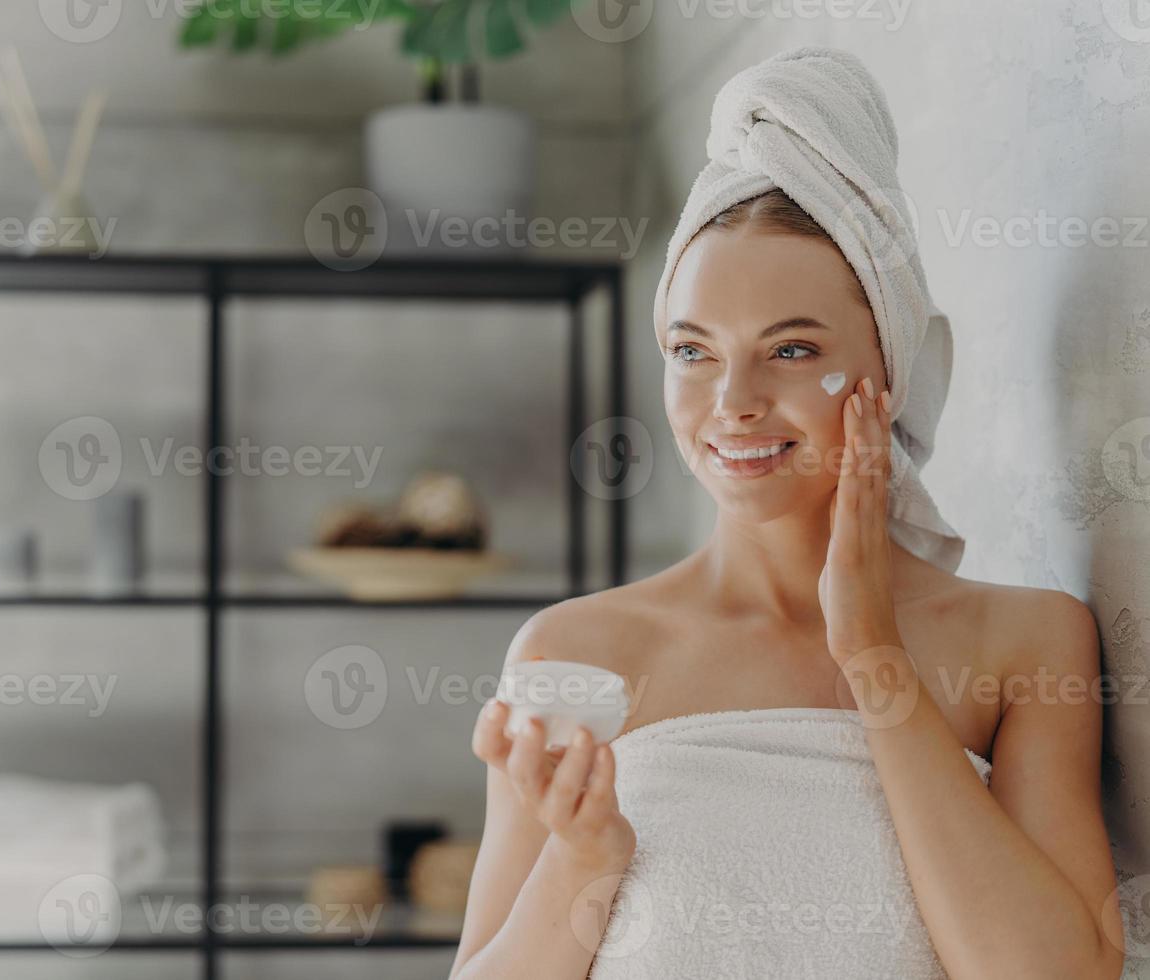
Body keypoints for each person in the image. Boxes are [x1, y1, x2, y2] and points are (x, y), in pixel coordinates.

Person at [448, 48, 1124, 980]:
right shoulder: (580, 657)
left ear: (889, 373)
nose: (733, 400)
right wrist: (583, 859)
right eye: (693, 350)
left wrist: (875, 657)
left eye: (794, 349)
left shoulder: (1027, 645)